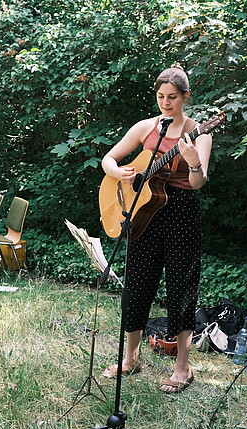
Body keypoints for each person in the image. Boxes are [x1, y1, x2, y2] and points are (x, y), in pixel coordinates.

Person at [100, 64, 212, 393]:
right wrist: (120, 173)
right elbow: (109, 158)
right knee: (136, 284)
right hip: (143, 213)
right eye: (161, 96)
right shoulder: (146, 127)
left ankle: (182, 369)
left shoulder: (199, 133)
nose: (166, 102)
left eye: (172, 97)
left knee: (181, 289)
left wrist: (192, 161)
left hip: (181, 212)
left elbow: (198, 181)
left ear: (186, 97)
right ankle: (130, 358)